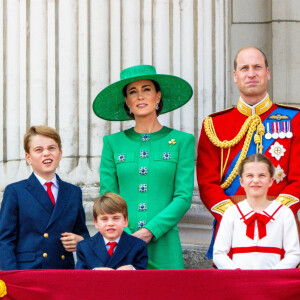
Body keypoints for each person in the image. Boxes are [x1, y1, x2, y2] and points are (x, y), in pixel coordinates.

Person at [197, 46, 300, 258]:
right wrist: (235, 217)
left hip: (281, 225)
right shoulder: (215, 125)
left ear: (268, 73)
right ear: (235, 76)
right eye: (244, 68)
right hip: (230, 226)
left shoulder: (294, 120)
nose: (251, 73)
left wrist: (273, 215)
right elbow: (207, 183)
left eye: (257, 67)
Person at [93, 64, 195, 269]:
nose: (140, 96)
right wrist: (129, 235)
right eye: (133, 92)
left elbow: (183, 197)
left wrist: (150, 230)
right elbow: (108, 195)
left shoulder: (182, 141)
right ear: (127, 102)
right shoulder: (112, 143)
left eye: (146, 89)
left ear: (158, 96)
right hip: (123, 242)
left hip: (164, 242)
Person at [0, 126, 90, 270]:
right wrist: (12, 278)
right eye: (39, 150)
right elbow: (4, 241)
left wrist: (81, 241)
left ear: (60, 154)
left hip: (63, 272)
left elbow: (82, 233)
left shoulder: (73, 192)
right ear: (28, 157)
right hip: (28, 273)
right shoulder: (15, 191)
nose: (46, 153)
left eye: (51, 148)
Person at [213, 154, 300, 269]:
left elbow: (294, 254)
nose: (255, 180)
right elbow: (219, 254)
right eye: (249, 175)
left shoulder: (284, 213)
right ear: (241, 181)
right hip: (239, 282)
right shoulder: (232, 213)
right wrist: (237, 273)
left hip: (272, 283)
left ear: (271, 181)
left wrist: (273, 275)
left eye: (262, 175)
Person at [76, 193, 148, 270]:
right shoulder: (85, 247)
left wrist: (132, 270)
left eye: (116, 218)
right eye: (104, 219)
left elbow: (143, 276)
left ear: (125, 221)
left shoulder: (138, 246)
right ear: (96, 223)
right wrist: (94, 272)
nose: (110, 223)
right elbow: (80, 277)